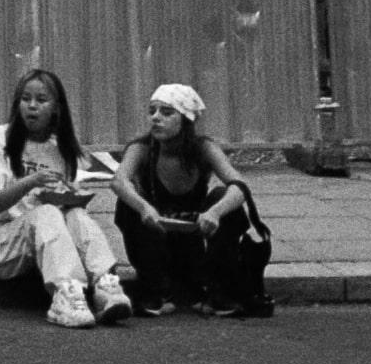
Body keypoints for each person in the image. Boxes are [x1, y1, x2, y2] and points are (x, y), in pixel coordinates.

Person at [0, 67, 132, 328]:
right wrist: (30, 182)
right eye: (25, 99)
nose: (31, 106)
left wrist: (71, 197)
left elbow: (60, 207)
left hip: (46, 240)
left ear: (56, 108)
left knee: (75, 214)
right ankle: (65, 292)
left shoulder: (61, 147)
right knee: (45, 214)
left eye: (41, 100)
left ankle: (104, 284)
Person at [109, 84, 269, 318]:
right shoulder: (142, 148)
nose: (155, 118)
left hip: (195, 246)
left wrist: (215, 212)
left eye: (166, 112)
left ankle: (218, 291)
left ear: (185, 119)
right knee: (127, 203)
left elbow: (240, 187)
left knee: (222, 197)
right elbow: (119, 182)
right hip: (156, 246)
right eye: (152, 111)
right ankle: (156, 291)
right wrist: (144, 208)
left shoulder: (203, 148)